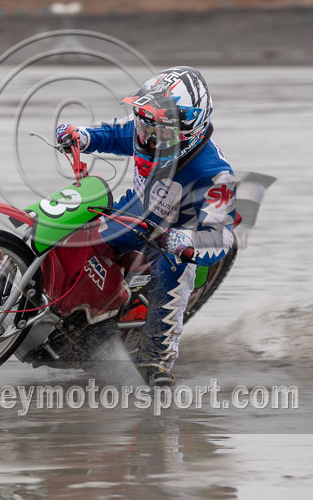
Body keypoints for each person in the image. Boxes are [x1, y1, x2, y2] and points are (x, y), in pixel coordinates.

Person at [56, 66, 238, 387]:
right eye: (144, 123)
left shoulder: (216, 174)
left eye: (158, 131)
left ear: (186, 130)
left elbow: (220, 238)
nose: (147, 137)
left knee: (173, 274)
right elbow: (117, 133)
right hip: (136, 210)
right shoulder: (146, 130)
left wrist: (180, 241)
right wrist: (81, 136)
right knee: (81, 233)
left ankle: (156, 359)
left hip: (175, 234)